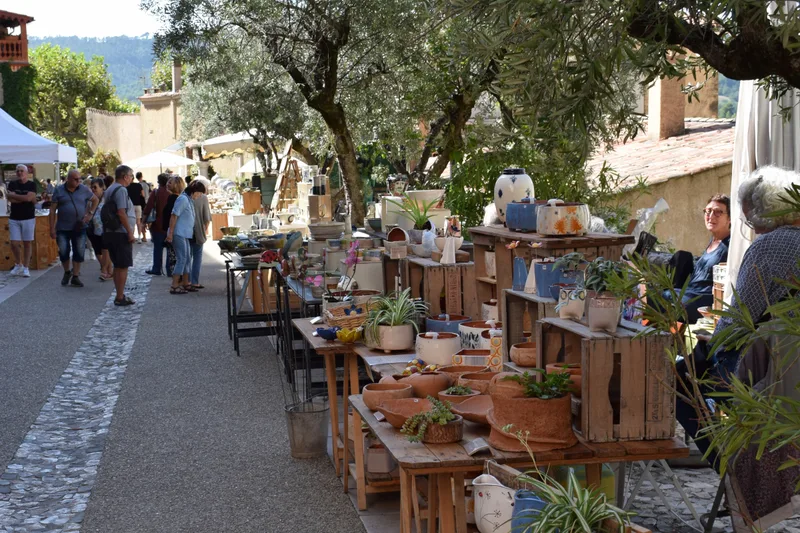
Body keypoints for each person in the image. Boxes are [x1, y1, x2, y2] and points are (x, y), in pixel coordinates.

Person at [676, 166, 800, 471]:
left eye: (751, 219)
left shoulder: (768, 246)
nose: (752, 227)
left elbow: (739, 319)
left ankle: (731, 469)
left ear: (766, 212)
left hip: (770, 371)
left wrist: (712, 342)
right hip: (790, 371)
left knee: (680, 379)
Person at [662, 194, 731, 324]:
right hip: (688, 294)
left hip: (702, 302)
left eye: (718, 212)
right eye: (708, 211)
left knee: (660, 299)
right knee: (682, 256)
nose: (711, 216)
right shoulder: (713, 240)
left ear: (730, 219)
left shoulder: (730, 246)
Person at [48, 169, 98, 287]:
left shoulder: (84, 189)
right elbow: (52, 209)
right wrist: (52, 228)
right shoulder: (59, 190)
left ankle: (75, 276)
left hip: (79, 226)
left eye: (79, 179)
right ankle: (67, 272)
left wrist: (90, 214)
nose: (78, 181)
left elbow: (95, 200)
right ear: (68, 179)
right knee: (63, 251)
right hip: (62, 227)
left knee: (79, 251)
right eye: (76, 179)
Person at [103, 165, 137, 306]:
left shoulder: (110, 188)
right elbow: (121, 212)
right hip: (120, 232)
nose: (131, 179)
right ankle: (120, 296)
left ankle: (119, 294)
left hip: (111, 232)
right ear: (125, 176)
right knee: (122, 266)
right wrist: (130, 232)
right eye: (131, 176)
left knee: (118, 265)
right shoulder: (121, 190)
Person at [165, 176, 195, 294]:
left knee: (186, 258)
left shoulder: (186, 198)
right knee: (181, 259)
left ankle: (185, 283)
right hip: (179, 233)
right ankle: (174, 285)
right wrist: (170, 233)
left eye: (170, 182)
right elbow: (173, 215)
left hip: (184, 233)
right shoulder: (182, 198)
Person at [7, 164, 37, 277]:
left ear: (26, 172)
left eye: (21, 171)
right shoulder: (12, 184)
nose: (19, 173)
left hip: (28, 217)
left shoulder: (31, 184)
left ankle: (26, 267)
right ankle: (18, 264)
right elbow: (10, 199)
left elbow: (29, 198)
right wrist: (25, 198)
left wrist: (16, 196)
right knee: (14, 243)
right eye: (18, 171)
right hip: (14, 217)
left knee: (27, 243)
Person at [143, 173, 170, 275]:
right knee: (170, 248)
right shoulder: (172, 192)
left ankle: (157, 268)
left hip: (157, 224)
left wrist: (143, 222)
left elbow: (148, 207)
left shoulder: (156, 192)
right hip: (170, 224)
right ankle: (169, 269)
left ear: (158, 182)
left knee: (158, 247)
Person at [187, 181, 211, 289]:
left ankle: (186, 281)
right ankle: (194, 281)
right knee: (197, 257)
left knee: (187, 257)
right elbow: (207, 217)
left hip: (187, 230)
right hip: (198, 230)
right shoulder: (203, 197)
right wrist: (205, 230)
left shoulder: (185, 196)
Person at [88, 178, 113, 281]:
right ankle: (109, 271)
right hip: (94, 229)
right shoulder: (91, 199)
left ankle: (104, 270)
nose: (93, 189)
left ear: (102, 187)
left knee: (105, 250)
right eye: (92, 187)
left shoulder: (107, 198)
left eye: (95, 187)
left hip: (105, 228)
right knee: (98, 250)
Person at [162, 177, 180, 277]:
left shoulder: (175, 198)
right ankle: (175, 277)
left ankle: (176, 279)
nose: (167, 184)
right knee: (173, 255)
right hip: (172, 230)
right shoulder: (172, 197)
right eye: (167, 182)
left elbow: (173, 216)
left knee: (174, 256)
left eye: (170, 183)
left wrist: (170, 232)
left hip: (174, 231)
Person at [127, 172, 146, 243]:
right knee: (138, 222)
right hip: (138, 205)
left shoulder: (126, 186)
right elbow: (143, 195)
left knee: (131, 222)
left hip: (130, 206)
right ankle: (139, 237)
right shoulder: (138, 185)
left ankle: (132, 235)